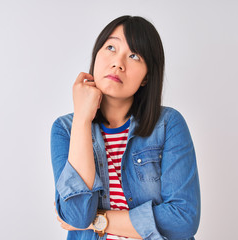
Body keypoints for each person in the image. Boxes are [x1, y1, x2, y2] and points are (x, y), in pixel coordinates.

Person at [50, 15, 200, 240]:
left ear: (146, 77)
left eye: (133, 56)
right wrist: (82, 119)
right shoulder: (65, 129)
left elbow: (183, 220)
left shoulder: (168, 125)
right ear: (96, 55)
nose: (118, 63)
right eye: (111, 47)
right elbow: (77, 216)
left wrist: (99, 220)